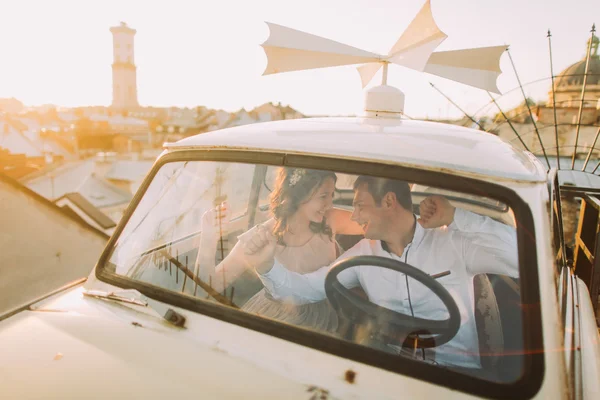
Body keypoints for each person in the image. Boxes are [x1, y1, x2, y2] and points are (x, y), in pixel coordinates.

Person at [242, 175, 518, 369]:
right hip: (388, 367)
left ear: (388, 202)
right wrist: (266, 264)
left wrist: (458, 217)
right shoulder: (363, 253)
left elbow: (520, 259)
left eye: (359, 205)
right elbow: (303, 290)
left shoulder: (453, 242)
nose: (353, 216)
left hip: (457, 373)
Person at [196, 167, 362, 332]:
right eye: (323, 196)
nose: (329, 204)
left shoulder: (330, 219)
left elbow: (372, 224)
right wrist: (209, 239)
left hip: (324, 315)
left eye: (332, 195)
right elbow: (209, 286)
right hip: (274, 320)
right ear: (299, 194)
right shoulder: (261, 237)